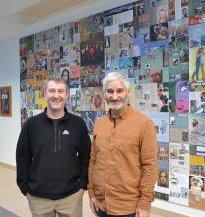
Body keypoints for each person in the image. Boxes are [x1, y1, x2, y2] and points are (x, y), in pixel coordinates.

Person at [16, 77, 91, 217]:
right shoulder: (31, 125)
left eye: (61, 91)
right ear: (45, 94)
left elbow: (86, 156)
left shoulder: (78, 124)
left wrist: (83, 184)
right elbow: (22, 157)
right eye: (52, 91)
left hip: (71, 196)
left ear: (67, 95)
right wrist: (24, 186)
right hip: (38, 197)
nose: (56, 95)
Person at [88, 72, 158, 217]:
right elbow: (94, 160)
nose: (114, 96)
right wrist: (91, 193)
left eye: (119, 91)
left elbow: (150, 166)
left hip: (129, 209)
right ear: (105, 94)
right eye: (110, 91)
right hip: (102, 205)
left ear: (128, 92)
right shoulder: (100, 123)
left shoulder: (144, 124)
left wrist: (145, 204)